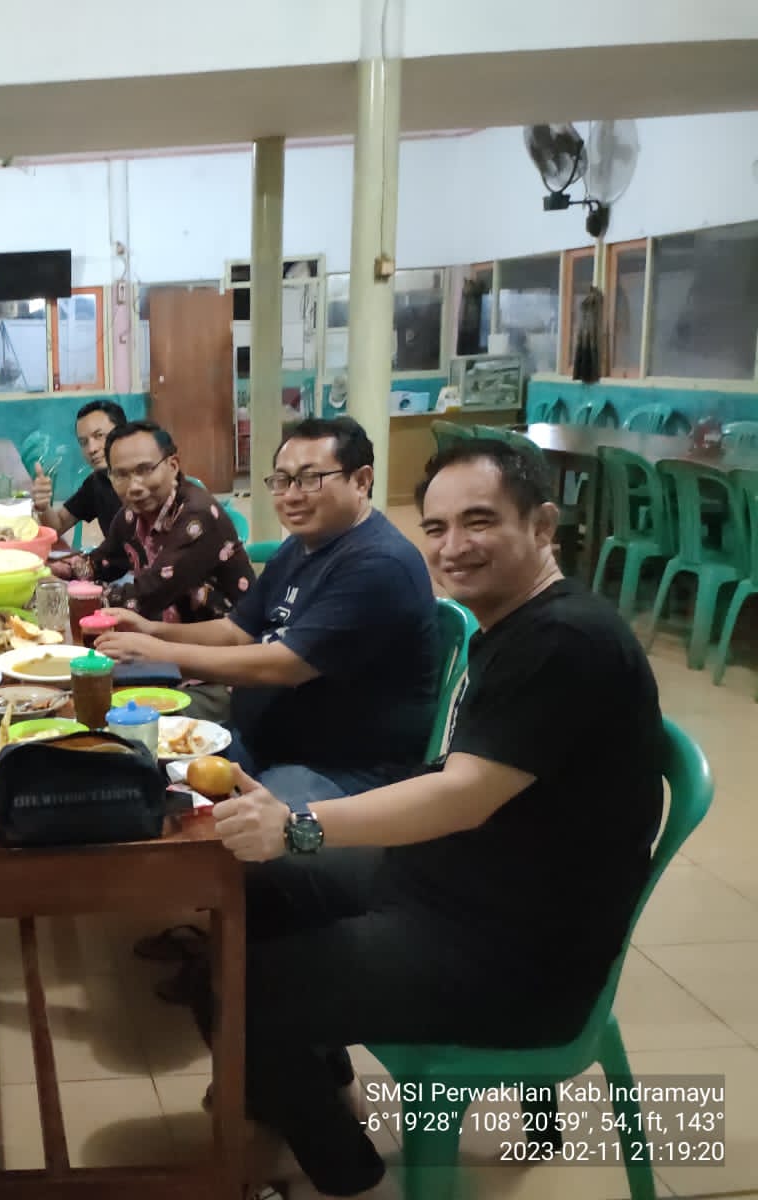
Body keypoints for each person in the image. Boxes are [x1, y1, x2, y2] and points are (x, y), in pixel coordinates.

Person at [207, 439, 664, 1199]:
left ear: (542, 525)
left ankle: (342, 1173)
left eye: (479, 522)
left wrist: (299, 825)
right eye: (437, 527)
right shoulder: (518, 624)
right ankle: (305, 1083)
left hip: (511, 957)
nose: (453, 548)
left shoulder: (563, 642)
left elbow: (462, 794)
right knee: (250, 894)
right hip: (456, 886)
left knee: (234, 984)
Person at [95, 417, 438, 810]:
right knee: (126, 779)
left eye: (309, 479)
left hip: (340, 771)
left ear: (361, 481)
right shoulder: (300, 547)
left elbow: (285, 666)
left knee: (218, 832)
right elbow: (236, 631)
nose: (291, 495)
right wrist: (151, 631)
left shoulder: (378, 564)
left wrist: (158, 653)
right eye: (282, 480)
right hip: (262, 746)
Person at [65, 420, 253, 624]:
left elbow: (148, 595)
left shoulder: (197, 517)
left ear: (173, 466)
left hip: (227, 636)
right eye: (121, 475)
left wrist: (78, 597)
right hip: (169, 632)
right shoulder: (131, 516)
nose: (134, 486)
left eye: (145, 470)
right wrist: (59, 571)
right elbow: (105, 561)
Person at [33, 398, 128, 556]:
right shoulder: (97, 482)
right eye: (83, 442)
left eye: (99, 435)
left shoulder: (146, 481)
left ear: (122, 433)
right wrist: (44, 507)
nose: (91, 449)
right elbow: (57, 526)